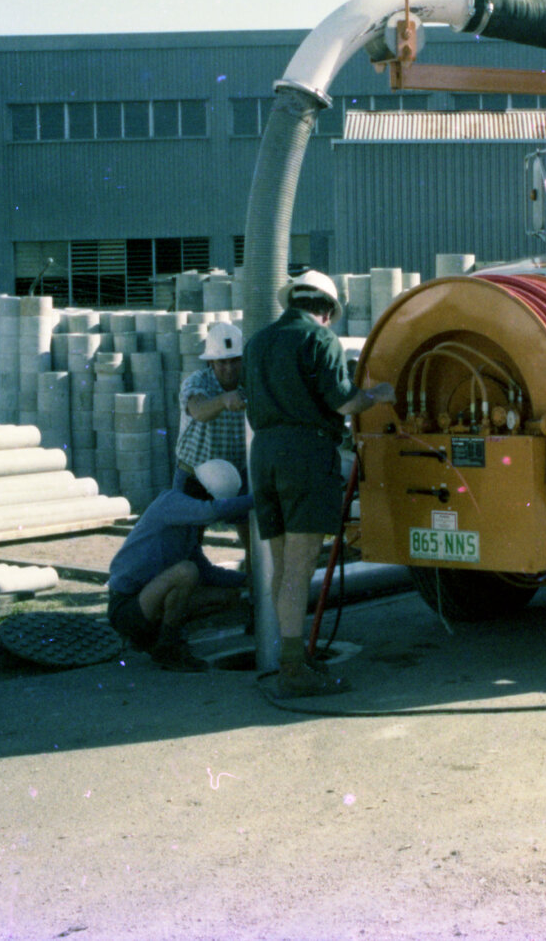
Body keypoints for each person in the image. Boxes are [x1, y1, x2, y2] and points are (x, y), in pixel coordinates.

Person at [244, 270, 395, 697]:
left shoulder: (257, 342)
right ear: (326, 311)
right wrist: (378, 394)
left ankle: (290, 652)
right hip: (304, 455)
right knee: (300, 565)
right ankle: (293, 668)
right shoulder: (320, 339)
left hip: (264, 455)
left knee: (281, 565)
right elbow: (344, 401)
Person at [105, 458, 253, 672]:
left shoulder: (188, 529)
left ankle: (156, 637)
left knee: (226, 595)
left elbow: (206, 571)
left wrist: (246, 580)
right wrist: (259, 499)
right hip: (126, 608)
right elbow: (213, 511)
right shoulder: (170, 503)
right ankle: (168, 647)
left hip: (149, 600)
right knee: (186, 572)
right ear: (205, 492)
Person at [174, 321, 248, 496]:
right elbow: (198, 410)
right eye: (222, 362)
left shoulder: (249, 382)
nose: (229, 369)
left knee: (241, 522)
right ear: (211, 363)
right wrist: (223, 400)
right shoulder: (197, 381)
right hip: (194, 475)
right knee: (187, 523)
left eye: (235, 361)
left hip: (236, 476)